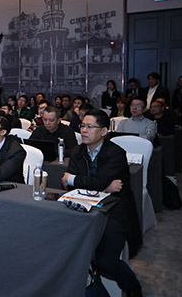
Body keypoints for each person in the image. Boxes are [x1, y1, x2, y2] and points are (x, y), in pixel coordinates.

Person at [61, 110, 142, 297]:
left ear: (104, 131)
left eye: (90, 127)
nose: (84, 130)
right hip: (83, 208)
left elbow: (84, 181)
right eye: (82, 126)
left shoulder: (116, 153)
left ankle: (133, 288)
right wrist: (104, 187)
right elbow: (78, 187)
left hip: (114, 211)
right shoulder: (77, 152)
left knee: (106, 262)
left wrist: (74, 179)